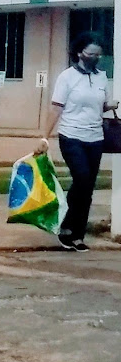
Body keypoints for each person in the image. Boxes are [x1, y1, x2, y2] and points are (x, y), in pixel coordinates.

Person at [37, 32, 118, 251]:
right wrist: (45, 137)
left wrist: (110, 105)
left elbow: (100, 106)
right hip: (71, 136)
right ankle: (66, 225)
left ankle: (77, 234)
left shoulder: (101, 77)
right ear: (80, 53)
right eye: (90, 53)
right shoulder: (67, 77)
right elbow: (56, 107)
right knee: (81, 178)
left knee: (88, 187)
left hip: (96, 138)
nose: (94, 58)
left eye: (98, 54)